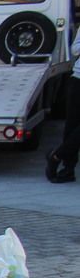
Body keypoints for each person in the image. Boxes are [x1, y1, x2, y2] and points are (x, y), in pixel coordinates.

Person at [48, 29, 80, 183]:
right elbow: (75, 49)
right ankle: (68, 169)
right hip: (78, 79)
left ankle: (57, 155)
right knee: (72, 125)